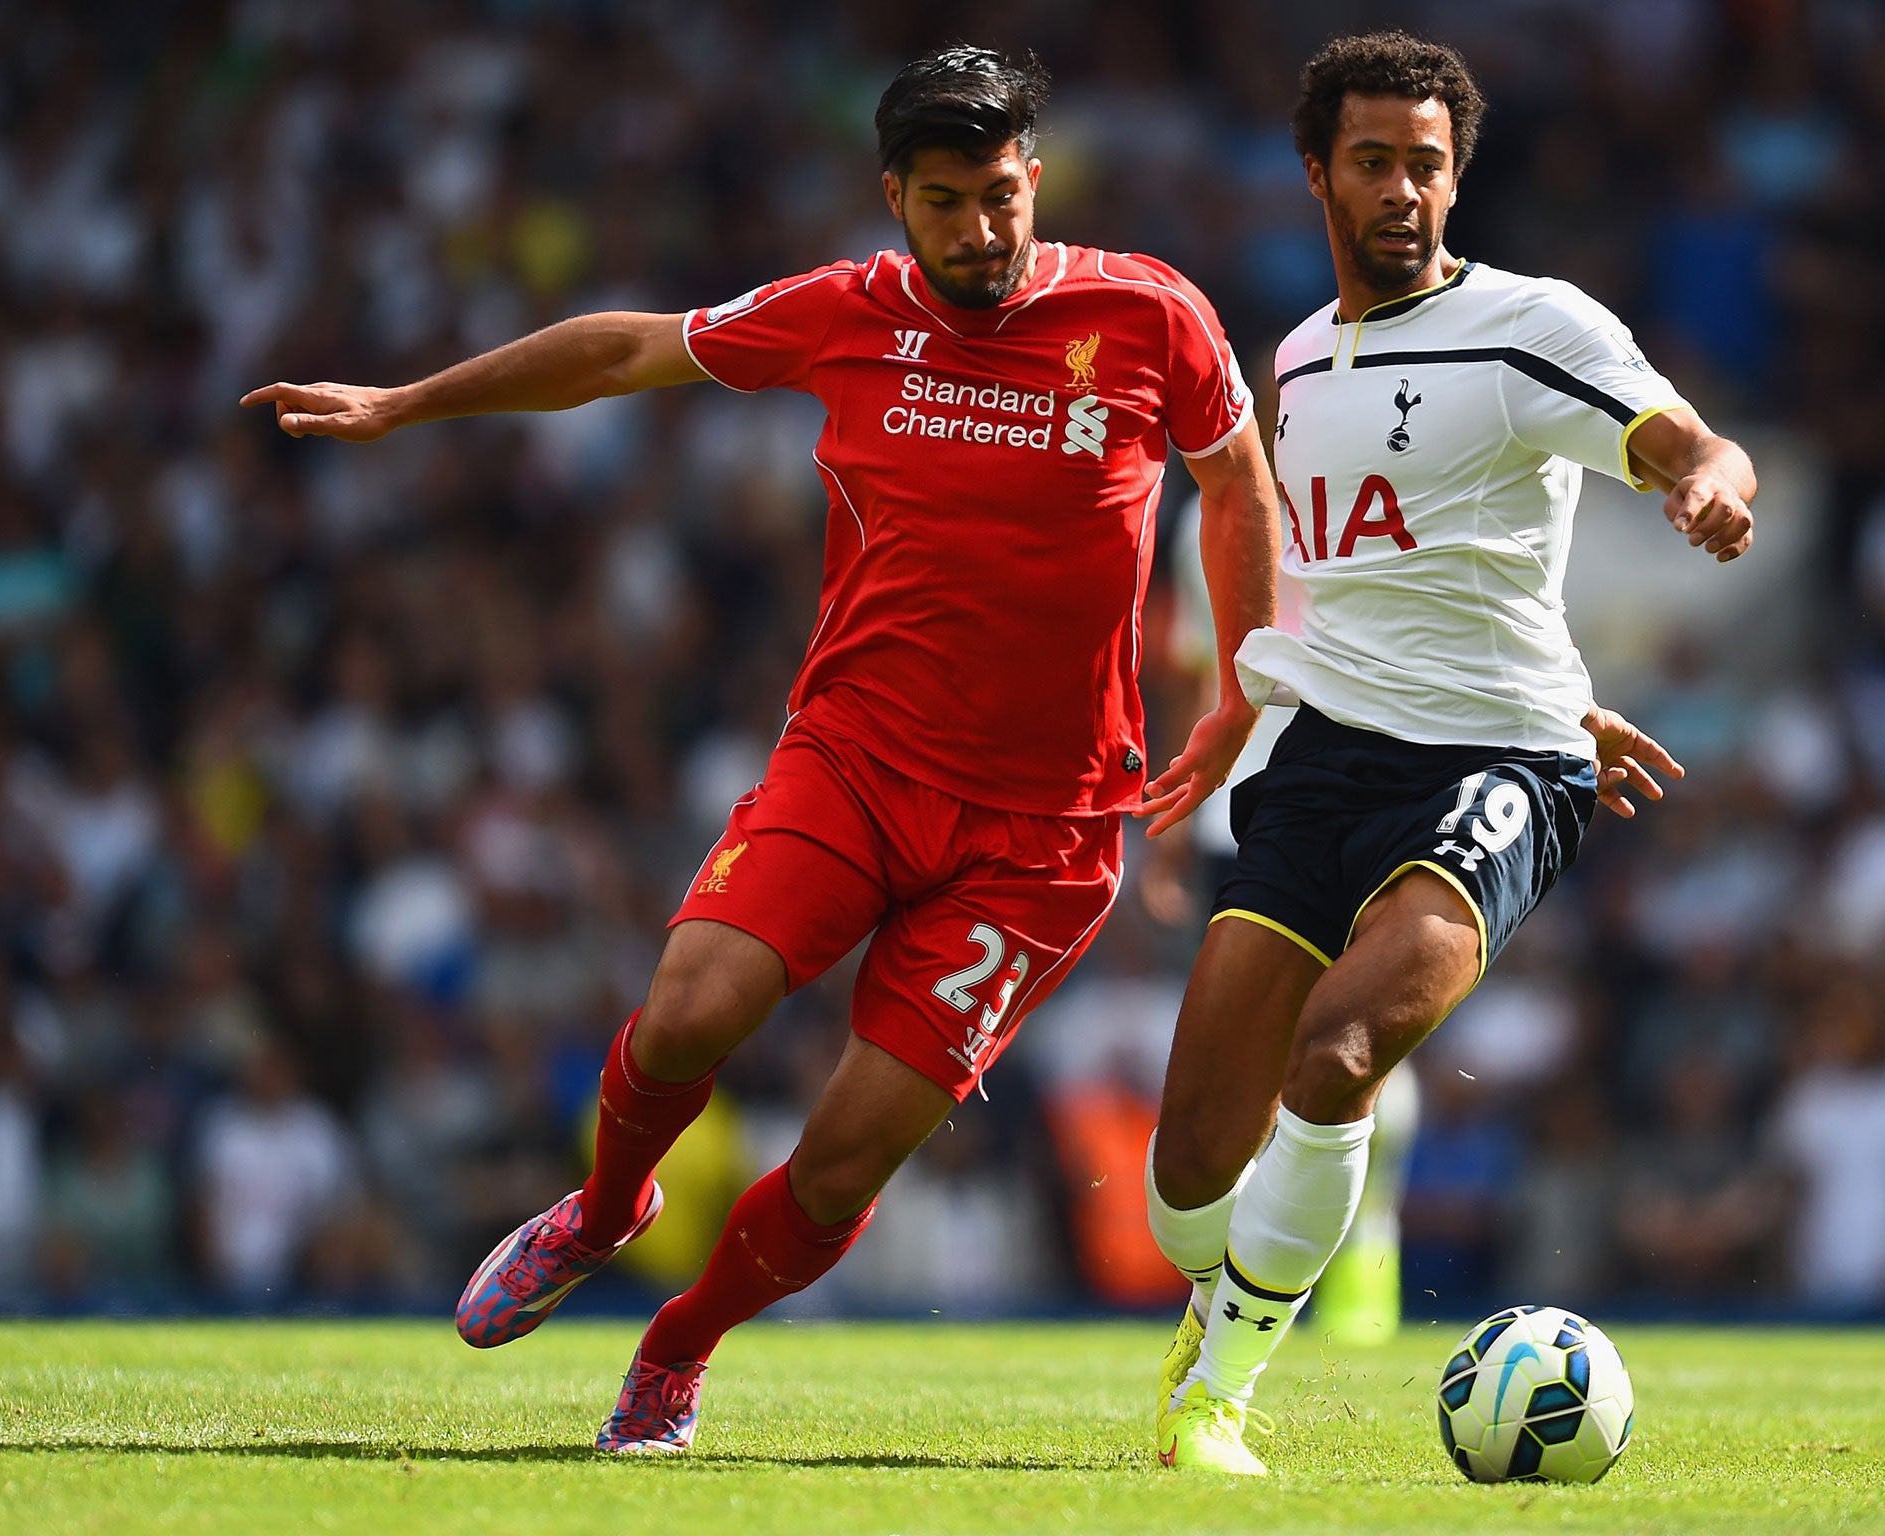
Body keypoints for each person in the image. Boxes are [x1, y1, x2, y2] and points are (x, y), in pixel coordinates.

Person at [244, 46, 1280, 1454]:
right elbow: (625, 348)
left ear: (1034, 179)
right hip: (855, 763)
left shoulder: (1152, 316)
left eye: (1000, 197)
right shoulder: (845, 314)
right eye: (946, 203)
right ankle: (606, 1213)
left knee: (847, 1157)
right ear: (892, 200)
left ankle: (676, 1351)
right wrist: (401, 403)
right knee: (687, 1013)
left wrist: (1242, 688)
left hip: (1042, 838)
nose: (980, 230)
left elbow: (1237, 485)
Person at [1143, 32, 1754, 1475]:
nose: (1405, 188)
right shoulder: (1295, 360)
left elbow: (1689, 442)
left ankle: (1214, 1397)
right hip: (1319, 759)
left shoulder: (1532, 328)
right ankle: (1223, 1288)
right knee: (1185, 1185)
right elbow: (1352, 580)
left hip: (1498, 765)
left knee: (1343, 1049)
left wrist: (1714, 490)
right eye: (1374, 161)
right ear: (1318, 173)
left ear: (1456, 176)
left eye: (1429, 163)